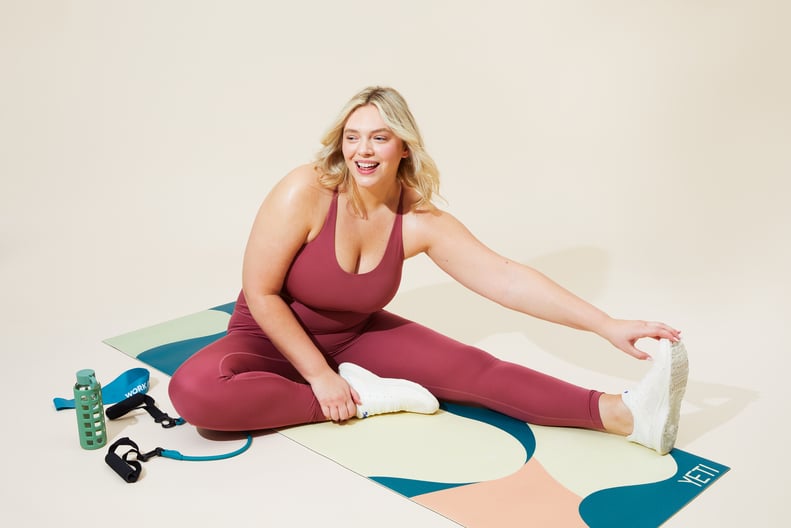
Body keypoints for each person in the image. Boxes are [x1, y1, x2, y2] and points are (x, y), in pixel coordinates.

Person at [168, 86, 688, 455]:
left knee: (475, 370)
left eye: (378, 138)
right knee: (195, 393)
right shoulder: (304, 190)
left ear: (403, 146)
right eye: (352, 137)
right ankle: (367, 399)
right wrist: (323, 380)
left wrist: (607, 325)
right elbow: (261, 293)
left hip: (354, 339)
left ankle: (625, 414)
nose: (362, 151)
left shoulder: (418, 220)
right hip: (266, 334)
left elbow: (506, 278)